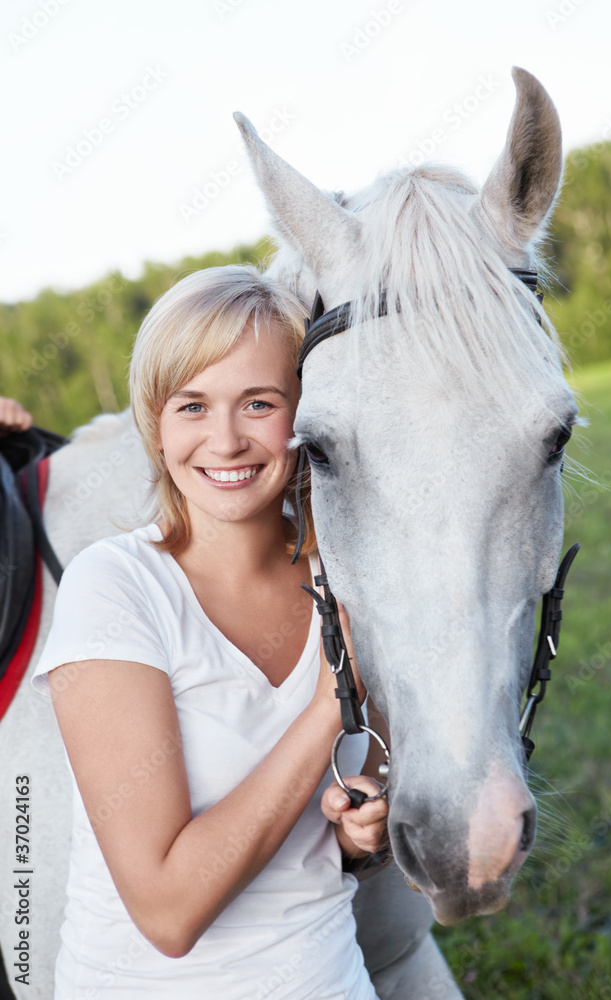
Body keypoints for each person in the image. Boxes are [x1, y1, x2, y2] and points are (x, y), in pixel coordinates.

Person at [31, 265, 389, 999]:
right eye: (192, 405)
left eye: (258, 403)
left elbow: (339, 820)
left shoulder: (345, 580)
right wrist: (329, 704)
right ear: (156, 426)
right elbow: (167, 911)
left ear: (301, 415)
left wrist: (358, 836)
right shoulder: (116, 587)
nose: (224, 440)